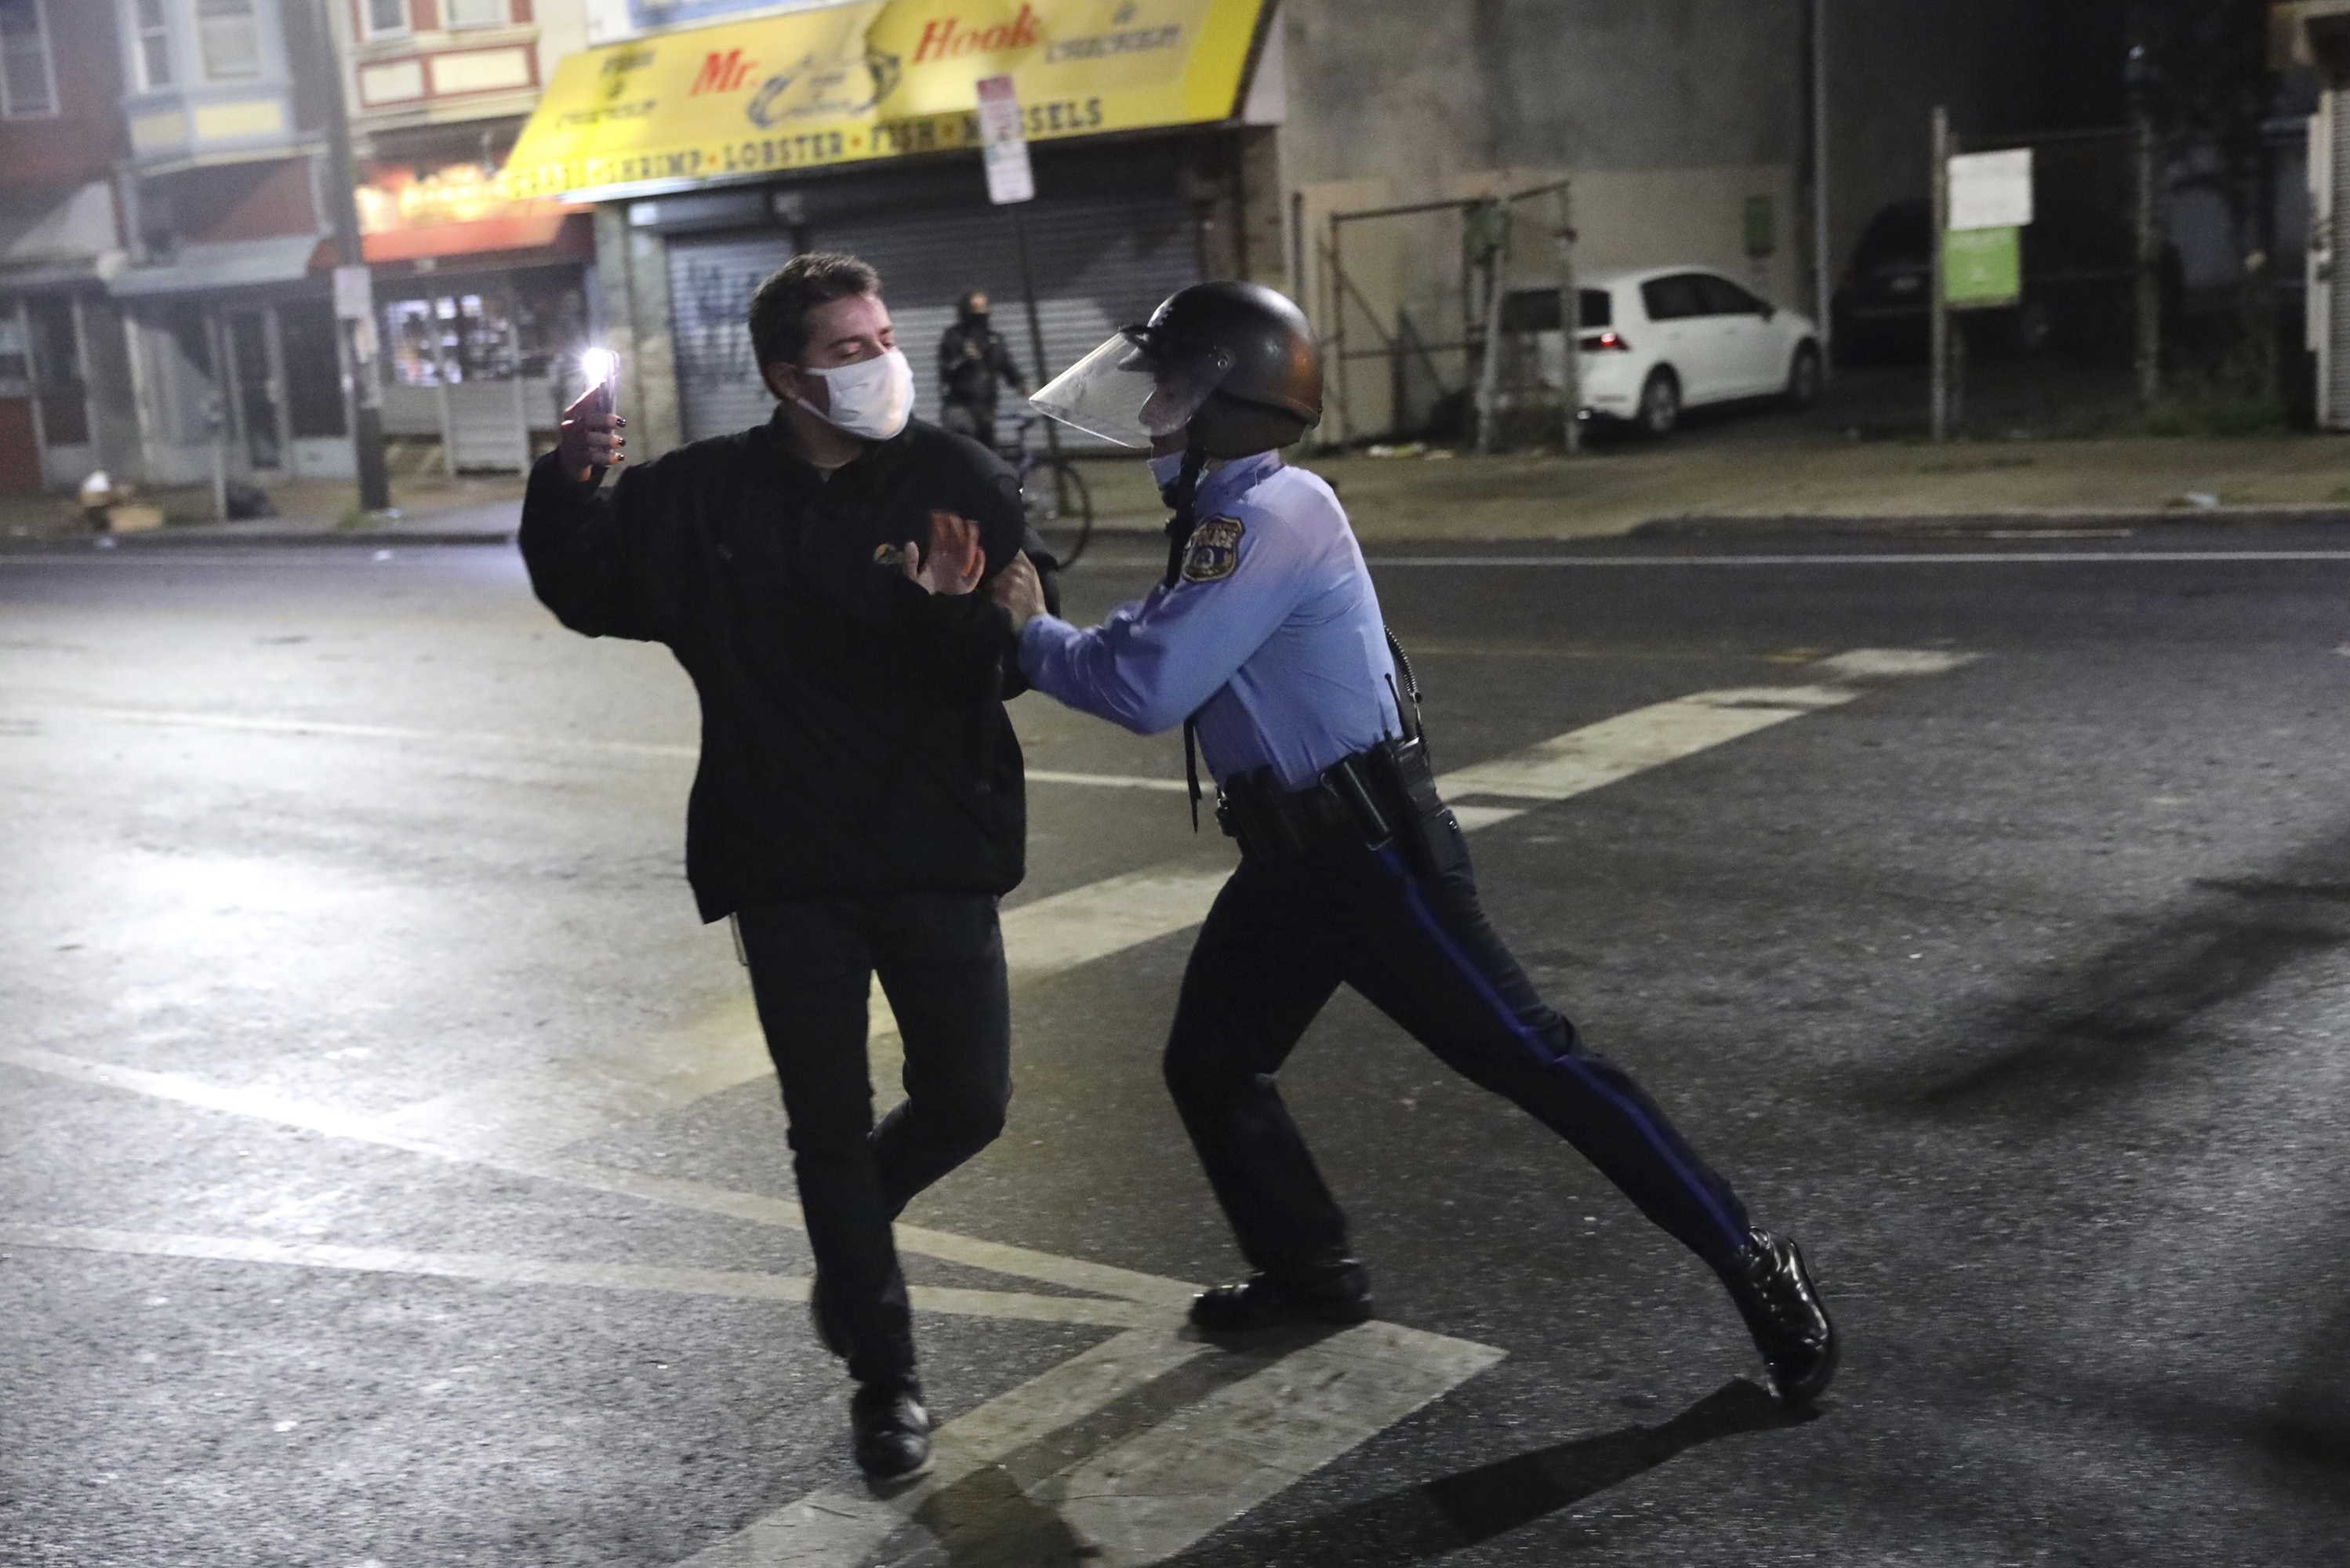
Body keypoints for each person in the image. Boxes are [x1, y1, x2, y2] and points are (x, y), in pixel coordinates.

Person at [988, 281, 1839, 1405]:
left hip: (1372, 863)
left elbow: (1147, 683)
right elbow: (1156, 637)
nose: (1151, 411)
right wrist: (1049, 637)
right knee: (1211, 1063)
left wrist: (1031, 634)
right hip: (1295, 865)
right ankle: (1310, 1270)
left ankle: (1751, 1258)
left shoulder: (1272, 517)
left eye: (1175, 389)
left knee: (1540, 1064)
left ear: (1234, 405)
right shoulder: (1224, 517)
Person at [520, 252, 1044, 1482]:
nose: (881, 364)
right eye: (849, 350)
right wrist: (570, 481)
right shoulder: (701, 497)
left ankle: (854, 1235)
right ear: (787, 379)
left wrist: (957, 611)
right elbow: (586, 588)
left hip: (934, 844)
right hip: (784, 852)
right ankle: (886, 1379)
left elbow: (1020, 653)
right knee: (827, 1124)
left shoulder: (957, 478)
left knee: (969, 1099)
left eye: (884, 339)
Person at [936, 290, 1027, 446]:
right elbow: (946, 369)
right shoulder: (954, 337)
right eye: (974, 308)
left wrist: (1022, 386)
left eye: (982, 308)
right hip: (960, 405)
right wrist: (964, 358)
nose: (979, 313)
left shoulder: (994, 339)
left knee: (986, 448)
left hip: (986, 406)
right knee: (965, 445)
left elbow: (1007, 367)